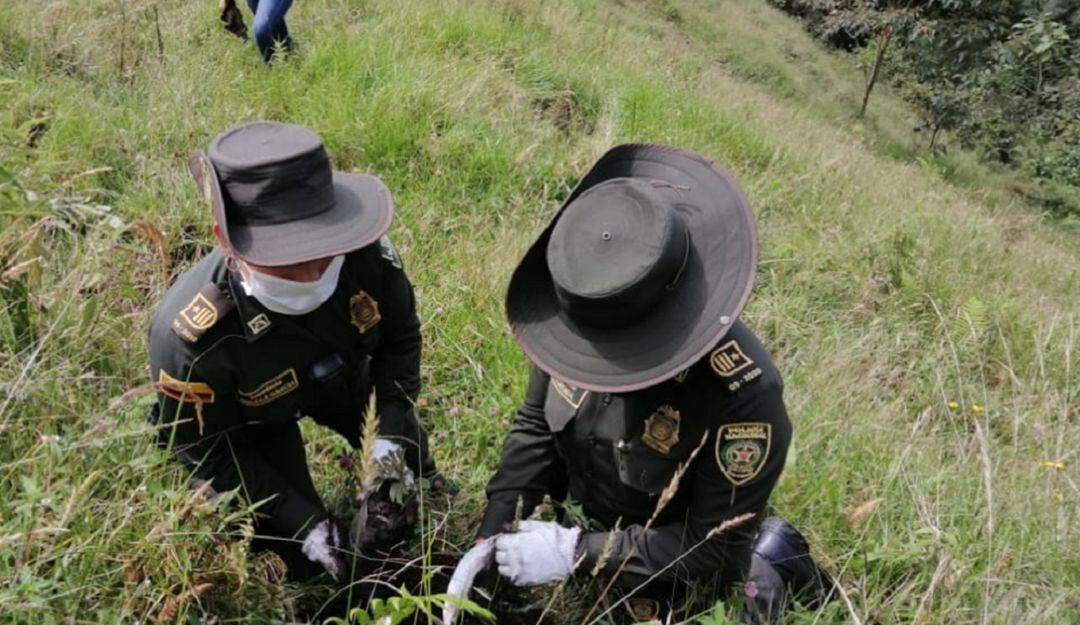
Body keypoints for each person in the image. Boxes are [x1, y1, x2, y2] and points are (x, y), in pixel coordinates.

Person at [451, 145, 832, 623]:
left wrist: (578, 553)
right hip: (589, 521)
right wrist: (495, 528)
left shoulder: (742, 396)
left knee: (731, 597)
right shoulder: (581, 306)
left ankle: (777, 561)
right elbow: (536, 423)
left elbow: (712, 553)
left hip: (669, 562)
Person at [147, 121, 439, 582]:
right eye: (285, 259)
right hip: (253, 422)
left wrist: (389, 436)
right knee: (303, 551)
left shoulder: (367, 258)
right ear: (227, 243)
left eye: (322, 251)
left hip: (342, 375)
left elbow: (399, 344)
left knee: (409, 458)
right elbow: (205, 449)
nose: (310, 275)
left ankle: (421, 480)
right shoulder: (189, 342)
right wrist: (302, 522)